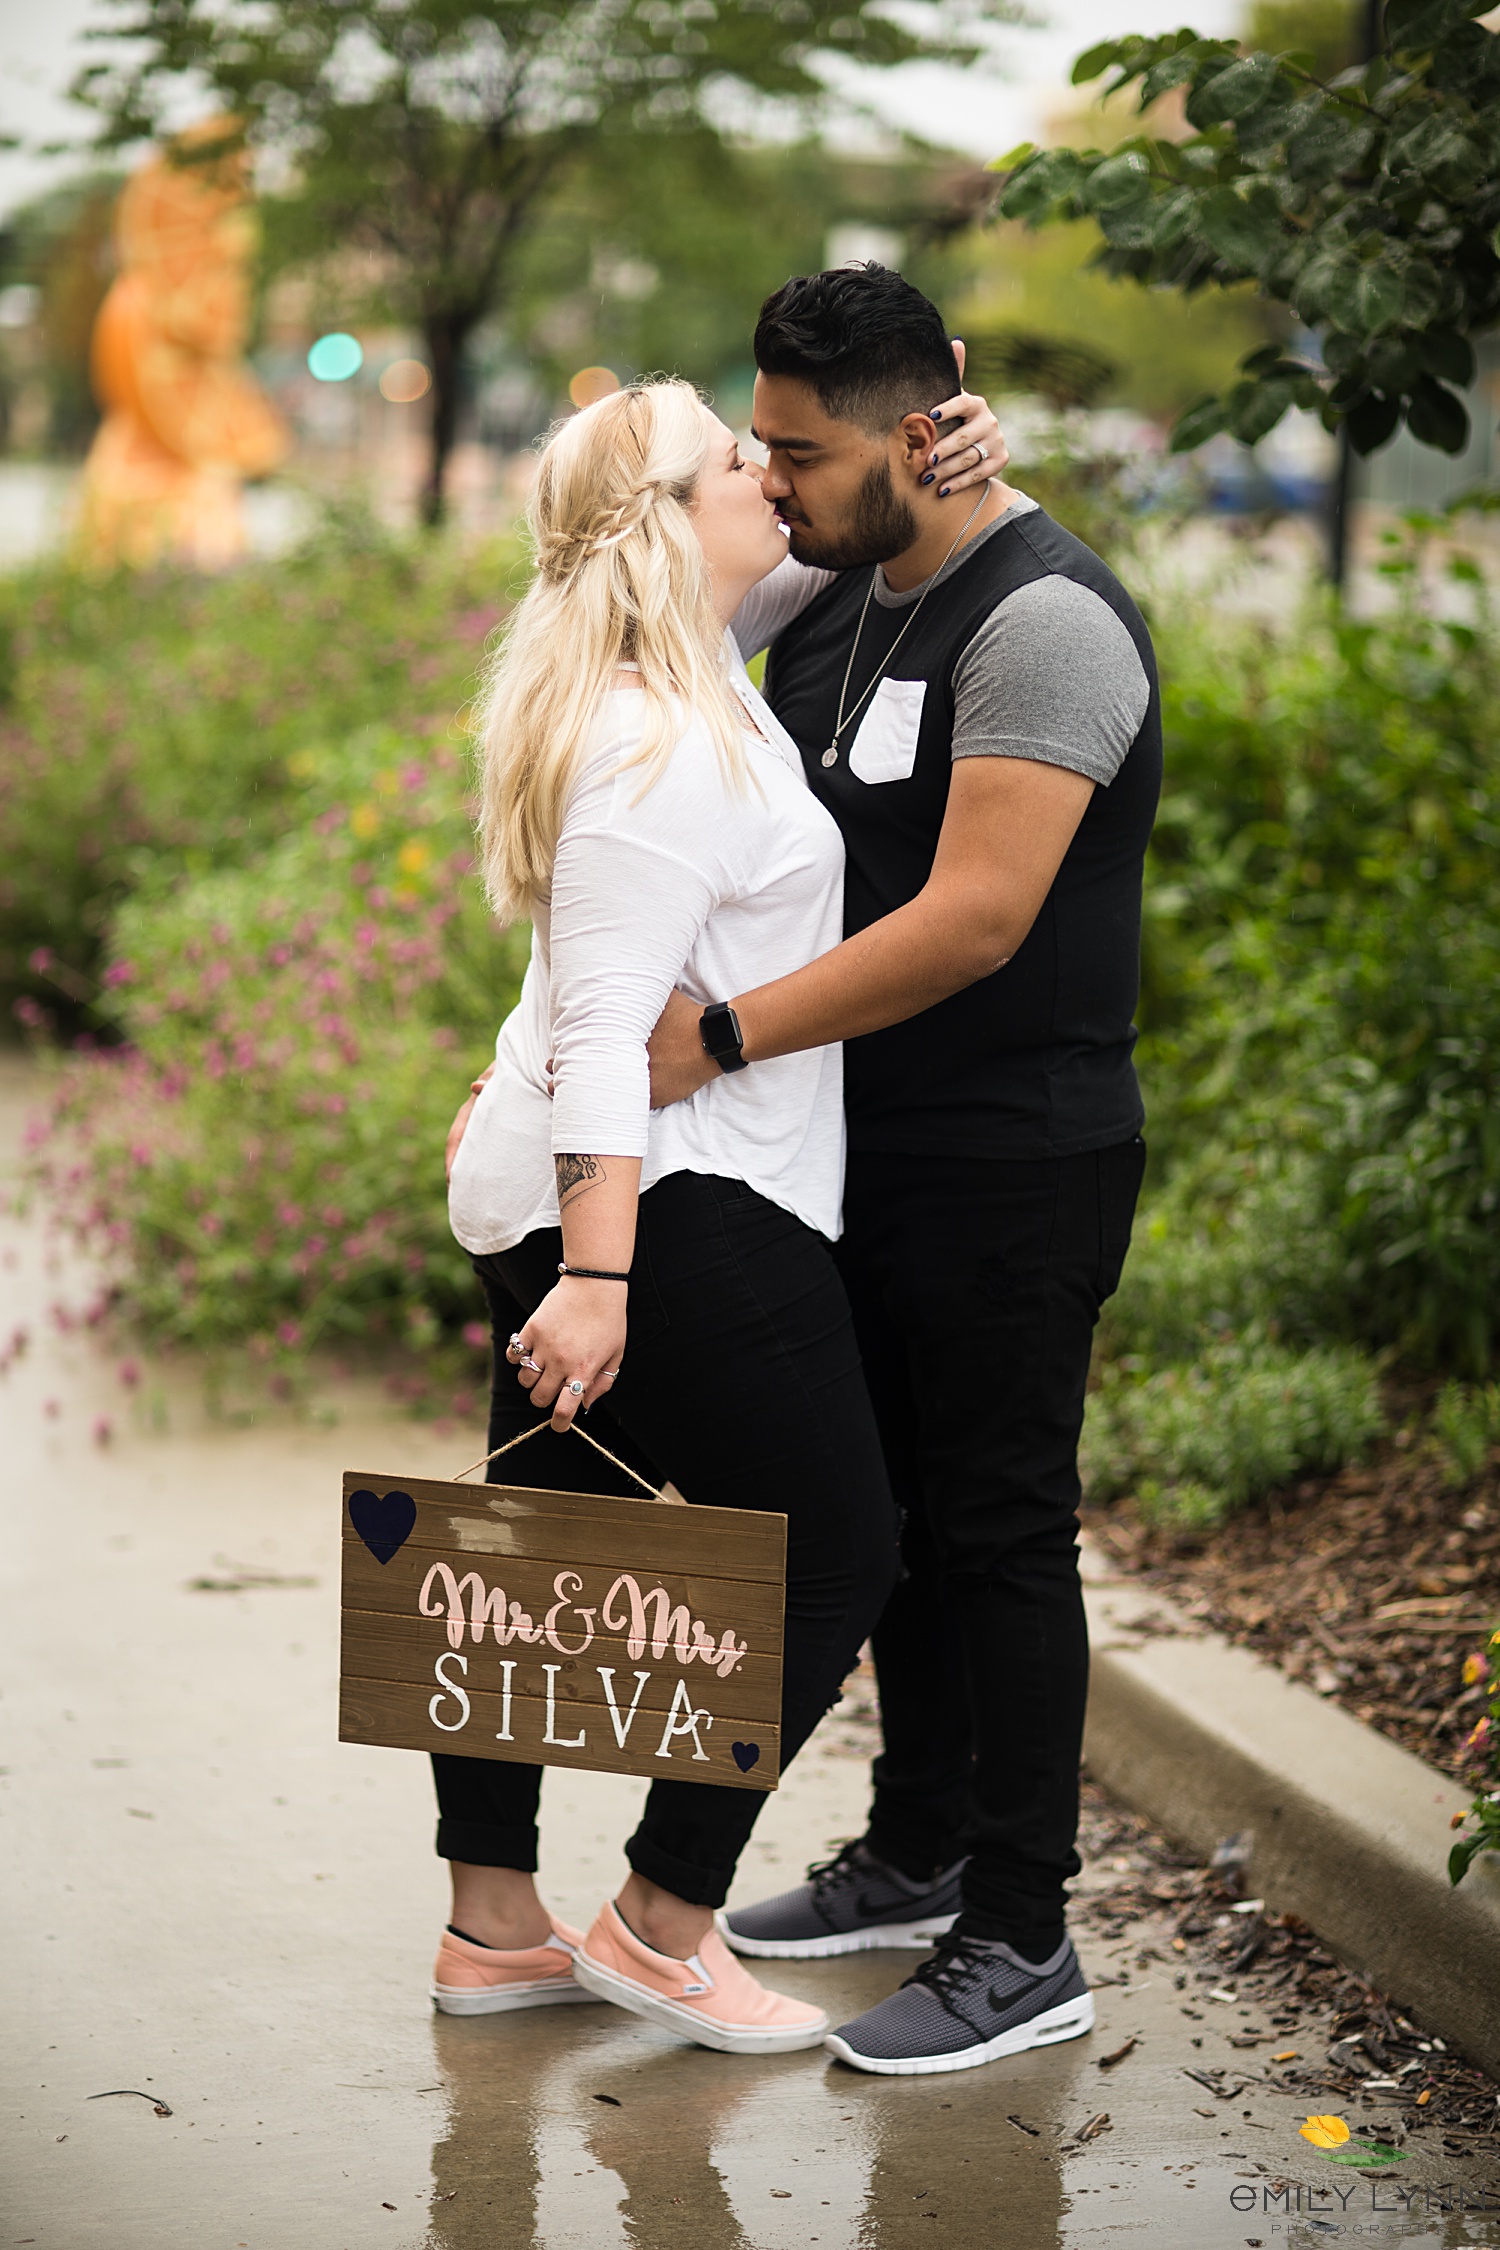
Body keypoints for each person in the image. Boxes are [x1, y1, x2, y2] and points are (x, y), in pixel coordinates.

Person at [435, 371, 1010, 2056]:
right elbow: (613, 1022)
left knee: (526, 1553)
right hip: (663, 1206)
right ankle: (667, 1915)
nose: (772, 477)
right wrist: (602, 1275)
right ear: (672, 529)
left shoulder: (674, 663)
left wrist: (958, 450)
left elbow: (850, 540)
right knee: (839, 1544)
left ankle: (494, 1927)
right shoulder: (657, 737)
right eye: (735, 464)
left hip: (565, 1184)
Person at [646, 265, 1162, 2076]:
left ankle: (1025, 1931)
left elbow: (975, 920)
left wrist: (715, 1036)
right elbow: (651, 563)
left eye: (799, 451)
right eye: (761, 450)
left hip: (1016, 1163)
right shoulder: (837, 583)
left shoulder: (1049, 626)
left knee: (1003, 1532)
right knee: (902, 1530)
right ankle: (919, 1850)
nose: (773, 481)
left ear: (922, 418)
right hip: (858, 1156)